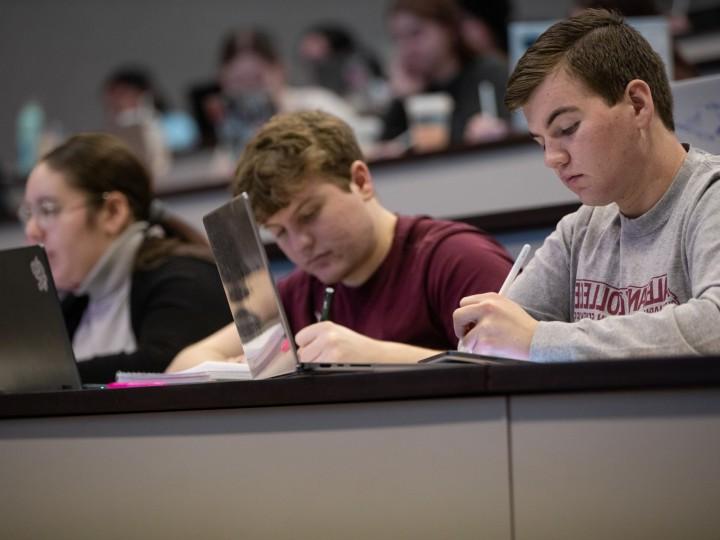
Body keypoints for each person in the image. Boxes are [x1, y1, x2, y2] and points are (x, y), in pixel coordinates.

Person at [453, 9, 720, 361]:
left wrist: (539, 340)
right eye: (541, 142)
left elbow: (714, 326)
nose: (553, 159)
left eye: (566, 129)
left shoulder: (709, 197)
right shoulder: (579, 231)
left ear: (638, 104)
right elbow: (494, 343)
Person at [168, 110, 512, 370]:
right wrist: (236, 371)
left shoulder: (456, 260)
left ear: (360, 181)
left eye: (309, 214)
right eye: (279, 231)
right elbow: (187, 361)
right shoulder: (300, 292)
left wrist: (379, 357)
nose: (300, 244)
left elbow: (521, 370)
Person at [20, 133, 233, 383]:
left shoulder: (187, 278)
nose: (32, 230)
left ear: (113, 212)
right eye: (28, 213)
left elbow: (159, 367)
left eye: (47, 210)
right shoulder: (75, 303)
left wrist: (34, 377)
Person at [189, 28, 360, 154]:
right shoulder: (232, 135)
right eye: (238, 81)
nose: (248, 90)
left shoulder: (315, 104)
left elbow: (356, 145)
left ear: (279, 70)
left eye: (256, 79)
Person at [378, 0, 511, 152]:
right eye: (397, 38)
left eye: (415, 33)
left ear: (449, 30)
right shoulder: (413, 87)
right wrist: (403, 100)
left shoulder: (489, 72)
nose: (406, 47)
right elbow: (385, 147)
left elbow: (455, 141)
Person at [297, 22, 390, 114]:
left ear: (330, 42)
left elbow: (365, 96)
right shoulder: (320, 68)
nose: (305, 48)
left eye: (314, 42)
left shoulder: (354, 63)